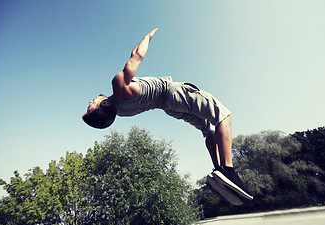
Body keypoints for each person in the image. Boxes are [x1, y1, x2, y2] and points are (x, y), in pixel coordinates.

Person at [82, 28, 253, 202]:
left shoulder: (123, 112)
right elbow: (137, 57)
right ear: (104, 104)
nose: (90, 102)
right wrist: (148, 37)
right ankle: (229, 170)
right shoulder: (119, 86)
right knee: (222, 115)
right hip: (172, 93)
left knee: (208, 130)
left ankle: (218, 170)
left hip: (170, 108)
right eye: (91, 107)